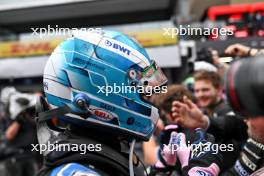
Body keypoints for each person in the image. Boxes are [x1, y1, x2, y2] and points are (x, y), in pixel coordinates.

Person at [35, 29, 168, 176]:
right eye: (137, 87)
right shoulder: (77, 172)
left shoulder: (98, 156)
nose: (145, 97)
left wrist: (162, 169)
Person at [167, 54, 264, 175]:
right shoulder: (256, 136)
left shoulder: (229, 112)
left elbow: (232, 132)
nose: (245, 119)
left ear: (219, 90)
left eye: (251, 111)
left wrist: (205, 165)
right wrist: (204, 122)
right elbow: (236, 172)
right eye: (197, 90)